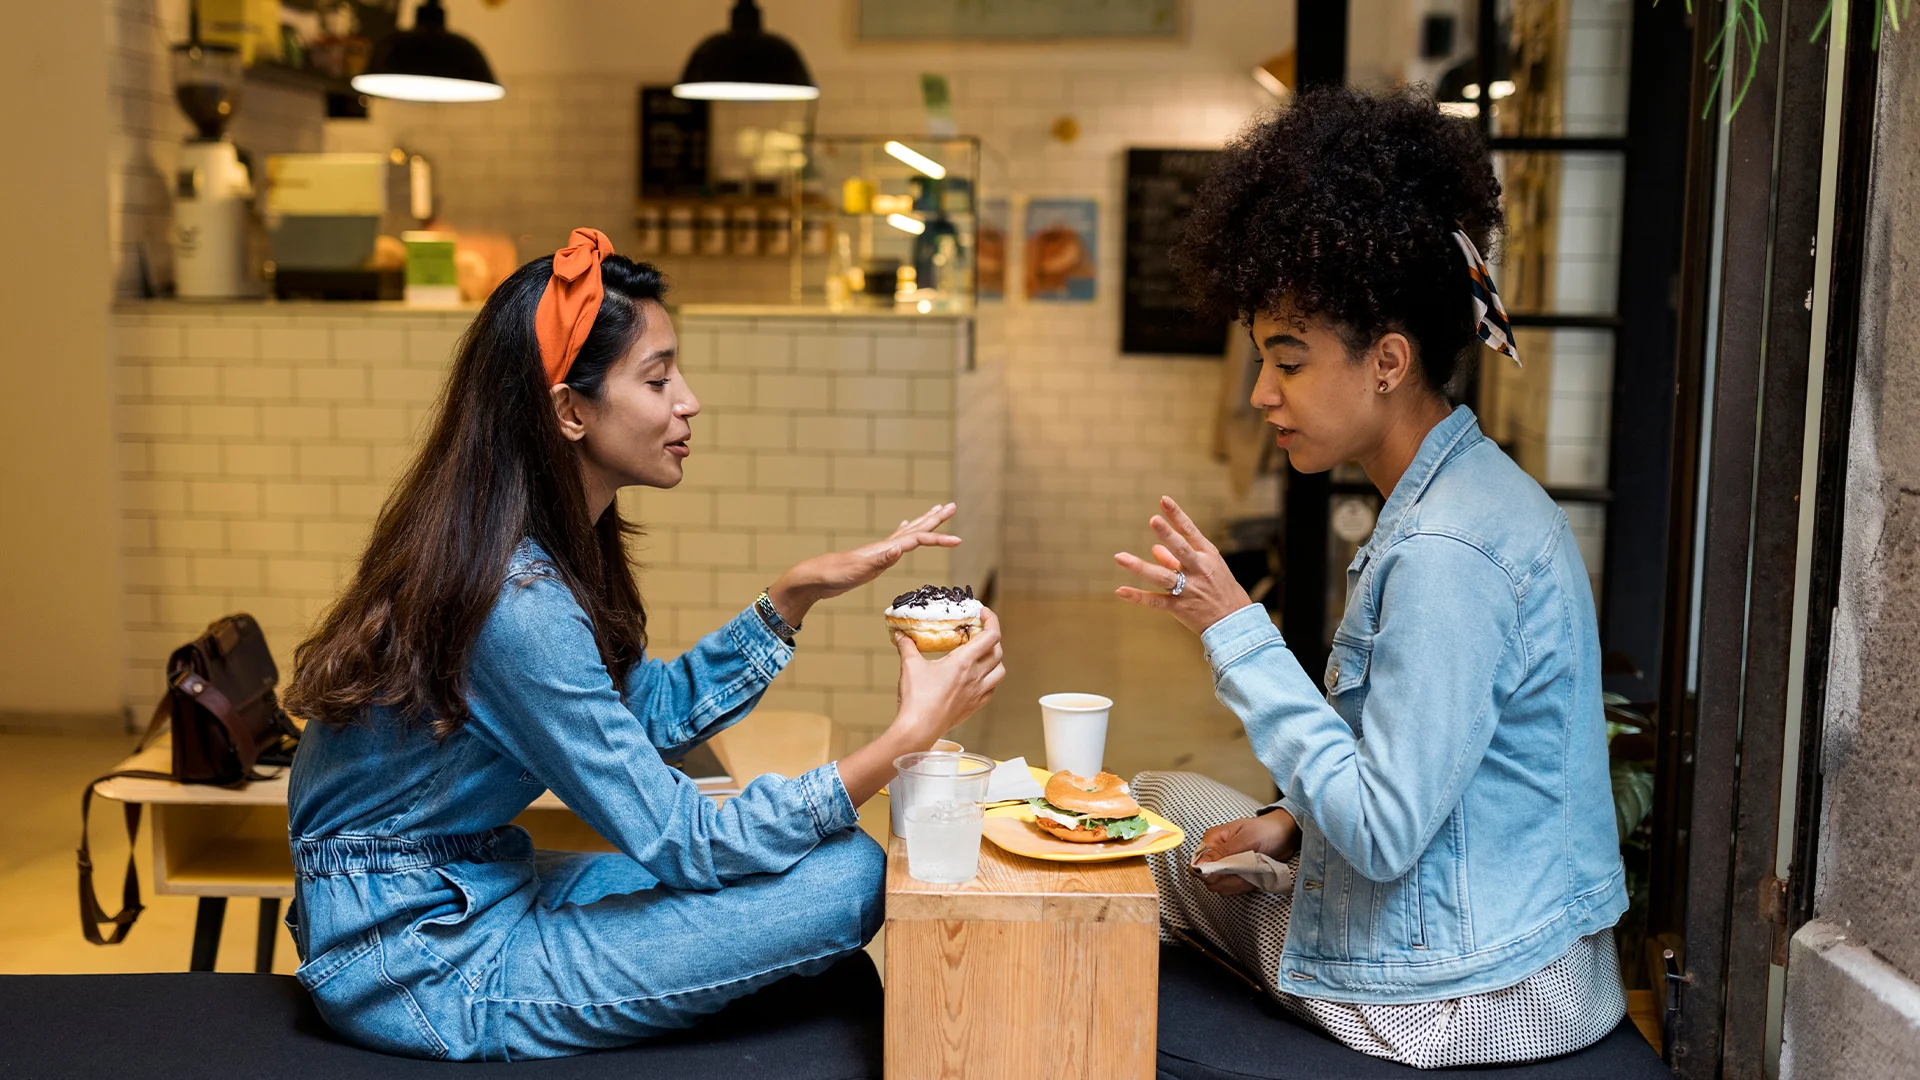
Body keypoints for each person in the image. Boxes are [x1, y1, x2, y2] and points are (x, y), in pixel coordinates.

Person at [283, 229, 1005, 1061]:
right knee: (844, 879)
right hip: (419, 960)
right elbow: (684, 843)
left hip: (477, 887)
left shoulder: (527, 546)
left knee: (832, 856)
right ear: (569, 410)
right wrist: (906, 740)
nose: (688, 400)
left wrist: (790, 598)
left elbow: (641, 714)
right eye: (658, 379)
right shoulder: (515, 605)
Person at [1113, 88, 1629, 1068]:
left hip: (1463, 998)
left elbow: (1388, 833)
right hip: (1514, 946)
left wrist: (1235, 630)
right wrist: (1287, 827)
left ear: (1388, 361)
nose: (1264, 393)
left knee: (1141, 823)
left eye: (1289, 362)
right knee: (1185, 809)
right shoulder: (1468, 490)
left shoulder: (1445, 554)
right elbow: (1433, 775)